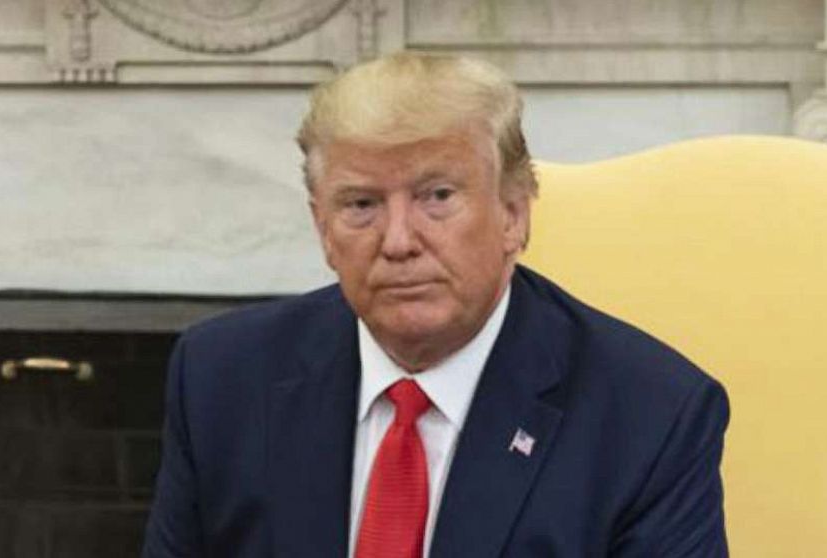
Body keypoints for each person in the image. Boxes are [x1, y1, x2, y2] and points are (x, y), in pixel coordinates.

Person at [142, 51, 730, 558]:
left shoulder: (650, 414)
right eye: (362, 205)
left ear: (514, 213)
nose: (398, 241)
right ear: (323, 230)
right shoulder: (221, 377)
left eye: (437, 196)